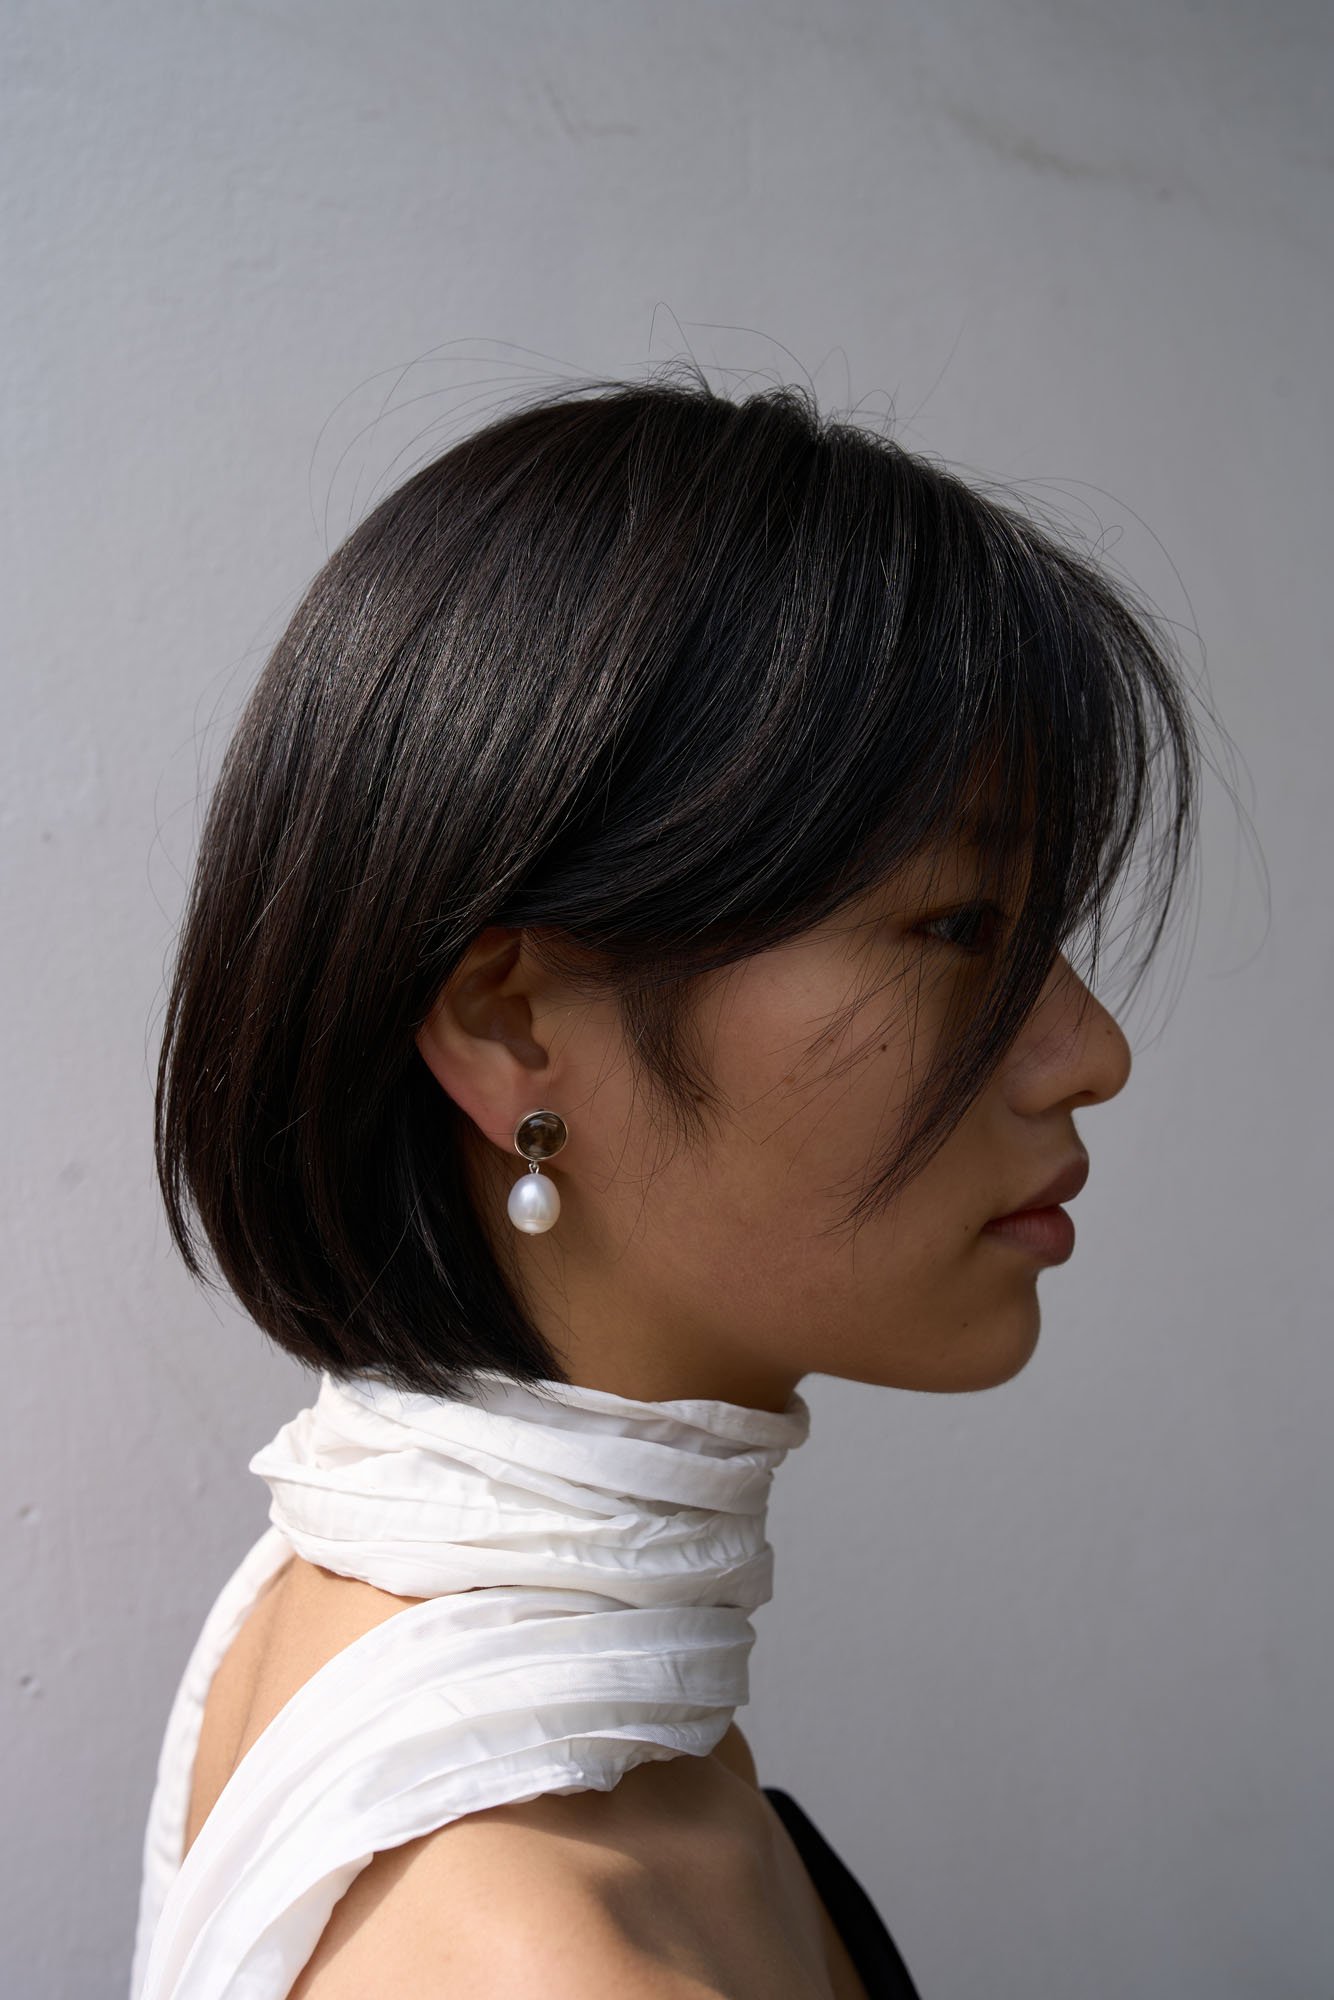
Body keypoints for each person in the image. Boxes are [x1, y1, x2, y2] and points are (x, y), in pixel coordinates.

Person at [131, 367, 1202, 1998]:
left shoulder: (377, 1585)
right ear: (513, 1025)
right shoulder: (543, 1942)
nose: (1086, 1051)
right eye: (956, 926)